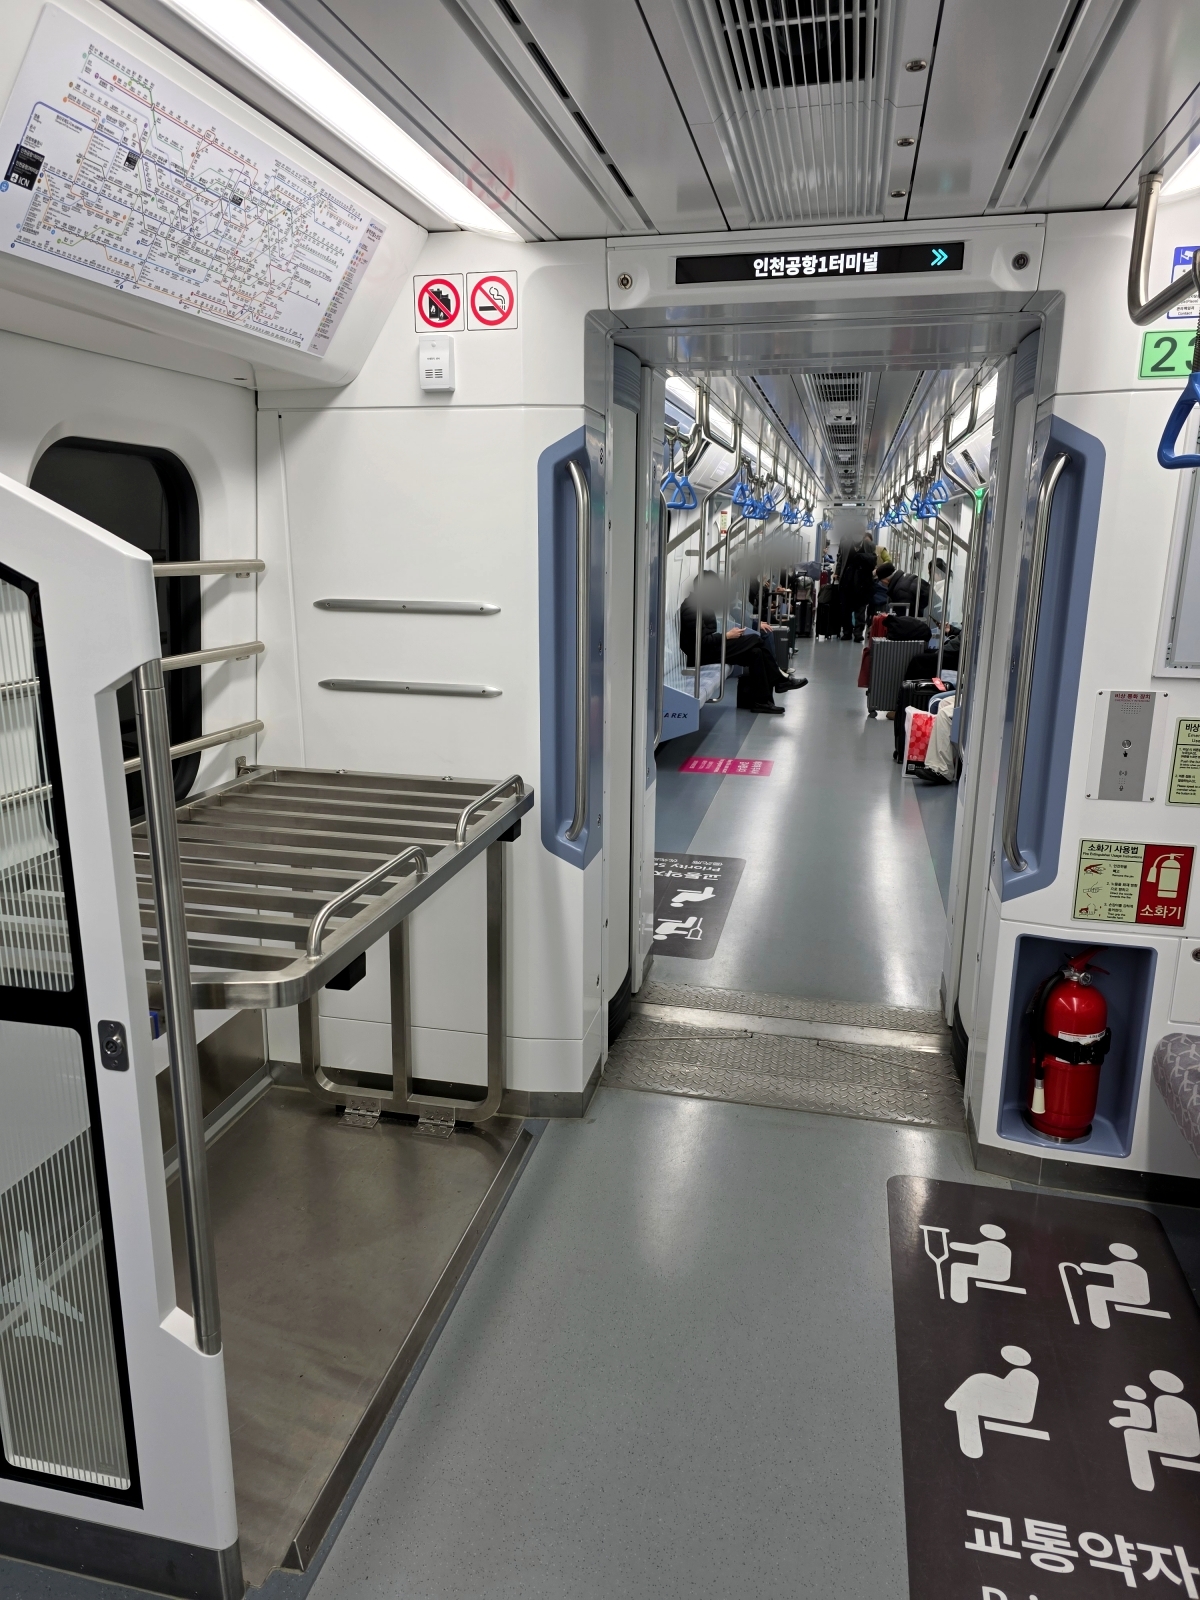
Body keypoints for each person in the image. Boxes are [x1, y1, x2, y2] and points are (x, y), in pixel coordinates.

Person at [678, 572, 806, 715]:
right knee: (756, 639)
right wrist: (727, 636)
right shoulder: (691, 608)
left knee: (756, 653)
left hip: (710, 649)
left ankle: (762, 702)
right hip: (701, 655)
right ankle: (780, 680)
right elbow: (701, 642)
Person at [838, 535, 876, 642]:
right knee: (846, 609)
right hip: (847, 580)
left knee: (860, 608)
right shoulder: (845, 545)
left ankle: (858, 633)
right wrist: (837, 573)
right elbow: (840, 560)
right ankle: (847, 632)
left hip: (863, 581)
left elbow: (873, 561)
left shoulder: (869, 545)